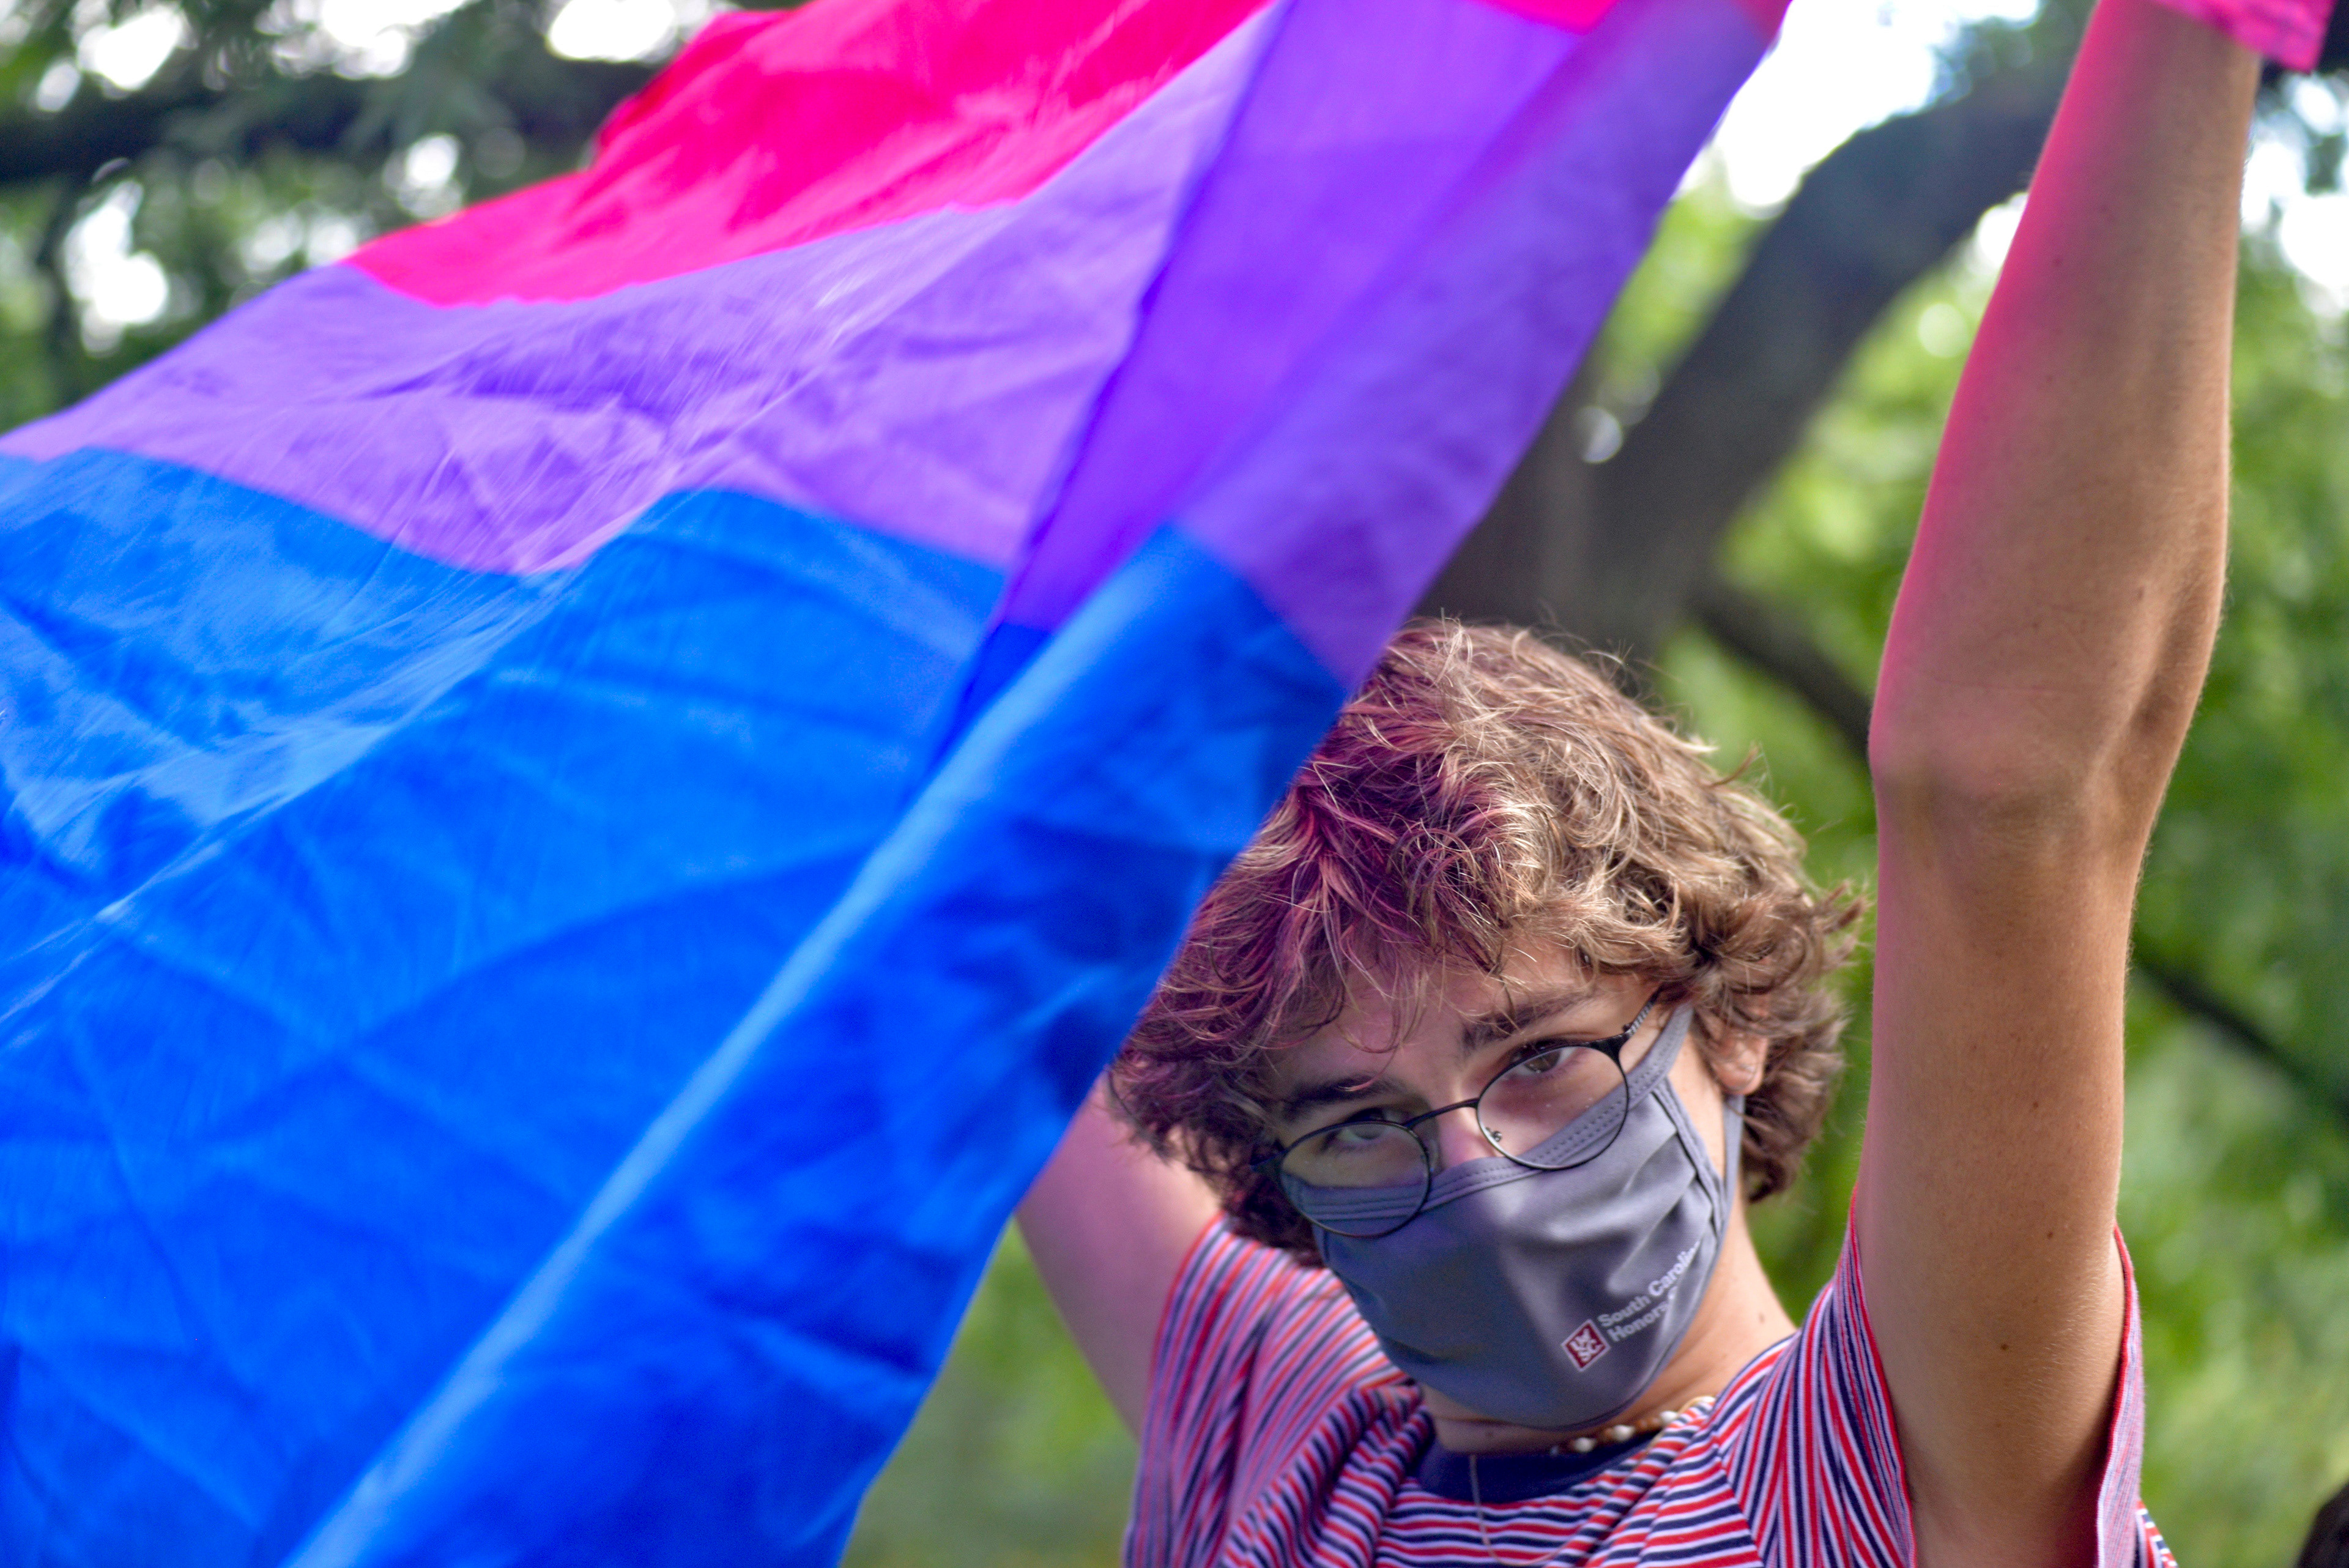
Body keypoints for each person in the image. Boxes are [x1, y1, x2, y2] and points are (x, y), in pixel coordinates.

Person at [1019, 1, 2257, 1563]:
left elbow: (2010, 794)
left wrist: (2204, 26)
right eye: (1358, 1124)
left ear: (1725, 1020)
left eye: (1541, 1054)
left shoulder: (1879, 1482)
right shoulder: (1276, 1429)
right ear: (1279, 1171)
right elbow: (974, 858)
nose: (1474, 1177)